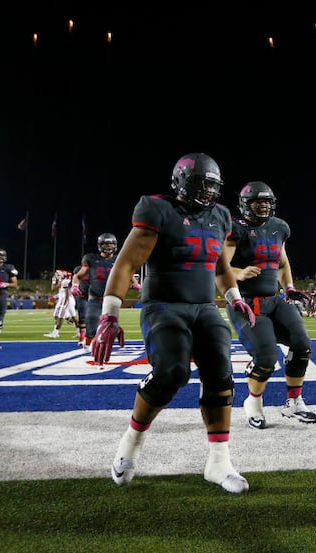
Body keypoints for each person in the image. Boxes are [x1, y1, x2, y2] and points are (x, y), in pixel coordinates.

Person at [91, 152, 255, 494]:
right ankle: (131, 442)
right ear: (181, 182)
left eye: (213, 186)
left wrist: (234, 297)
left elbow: (221, 268)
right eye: (202, 185)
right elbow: (126, 264)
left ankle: (219, 462)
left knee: (221, 372)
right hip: (164, 306)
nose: (208, 193)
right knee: (172, 373)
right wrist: (110, 313)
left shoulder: (221, 216)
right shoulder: (158, 210)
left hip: (204, 307)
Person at [223, 180, 316, 430]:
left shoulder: (279, 227)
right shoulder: (236, 229)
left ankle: (294, 403)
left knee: (302, 345)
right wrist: (240, 273)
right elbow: (220, 267)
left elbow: (283, 262)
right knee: (266, 357)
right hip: (246, 303)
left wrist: (288, 287)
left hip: (274, 300)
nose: (263, 207)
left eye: (267, 202)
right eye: (258, 202)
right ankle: (253, 403)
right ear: (246, 205)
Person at [71, 233, 141, 348]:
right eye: (105, 243)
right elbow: (78, 276)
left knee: (109, 328)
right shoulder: (91, 259)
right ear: (100, 245)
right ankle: (87, 346)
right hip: (95, 298)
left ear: (115, 245)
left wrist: (134, 283)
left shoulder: (119, 259)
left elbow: (128, 271)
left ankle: (114, 333)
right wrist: (75, 285)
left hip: (111, 299)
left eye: (111, 243)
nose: (108, 246)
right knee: (91, 325)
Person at [44, 269, 78, 338]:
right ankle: (79, 331)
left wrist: (65, 304)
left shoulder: (66, 282)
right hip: (64, 300)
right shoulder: (64, 282)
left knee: (61, 317)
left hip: (67, 301)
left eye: (58, 275)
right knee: (59, 316)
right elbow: (61, 293)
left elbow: (67, 294)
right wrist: (55, 297)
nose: (56, 276)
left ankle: (56, 333)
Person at [72, 264, 89, 346]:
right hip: (82, 295)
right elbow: (75, 277)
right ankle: (82, 336)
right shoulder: (78, 269)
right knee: (82, 317)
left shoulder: (97, 269)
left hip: (95, 295)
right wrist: (74, 286)